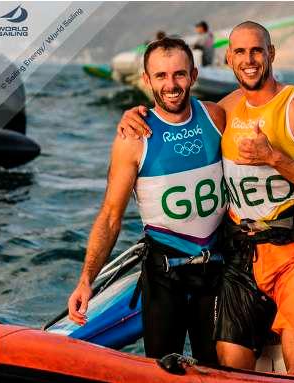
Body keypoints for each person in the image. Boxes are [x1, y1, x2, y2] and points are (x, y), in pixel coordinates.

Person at [116, 21, 294, 375]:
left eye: (257, 50)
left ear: (271, 54)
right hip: (242, 255)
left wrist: (275, 158)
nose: (249, 59)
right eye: (240, 52)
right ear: (228, 59)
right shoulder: (223, 110)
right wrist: (134, 114)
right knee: (229, 365)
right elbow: (176, 116)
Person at [67, 37, 227, 365]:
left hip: (217, 270)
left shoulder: (217, 117)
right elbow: (111, 214)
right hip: (163, 275)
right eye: (161, 76)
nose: (171, 84)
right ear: (146, 80)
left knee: (218, 369)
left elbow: (261, 102)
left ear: (194, 75)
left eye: (179, 74)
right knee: (161, 371)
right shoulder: (133, 138)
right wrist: (86, 280)